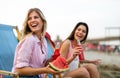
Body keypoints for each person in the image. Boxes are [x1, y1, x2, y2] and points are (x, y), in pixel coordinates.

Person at [12, 8, 60, 78]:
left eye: (36, 17)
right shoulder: (29, 40)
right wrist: (45, 70)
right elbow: (19, 70)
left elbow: (41, 65)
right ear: (28, 24)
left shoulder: (43, 41)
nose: (32, 20)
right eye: (29, 19)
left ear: (43, 21)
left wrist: (51, 59)